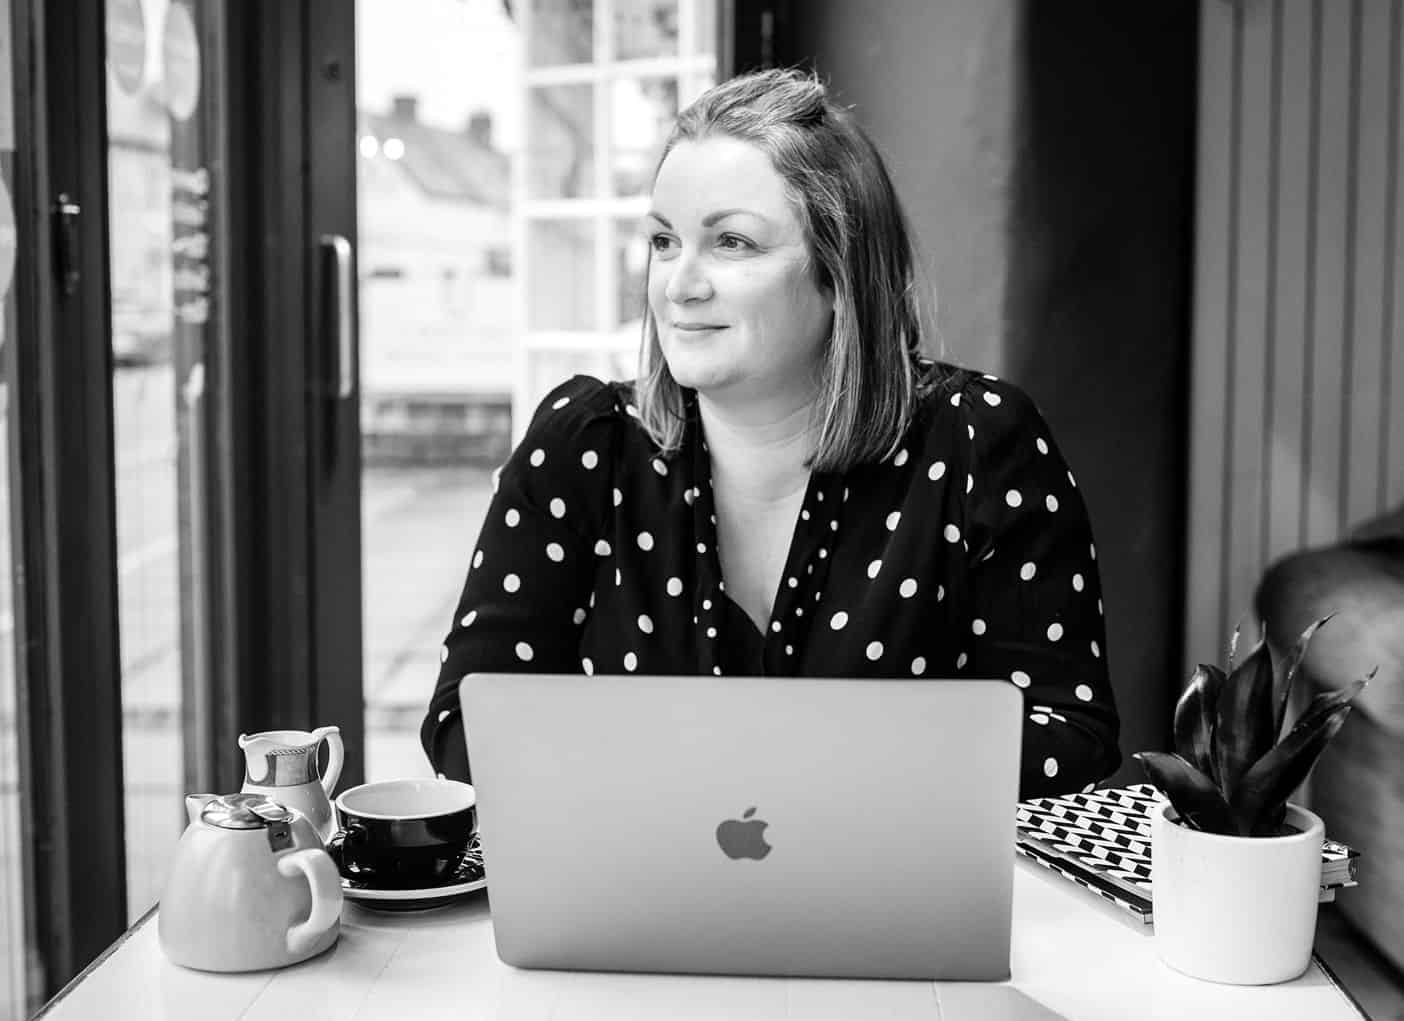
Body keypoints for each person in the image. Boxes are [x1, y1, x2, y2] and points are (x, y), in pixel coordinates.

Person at [423, 68, 1120, 800]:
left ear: (838, 274)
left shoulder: (981, 446)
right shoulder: (583, 448)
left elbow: (1066, 733)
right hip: (637, 907)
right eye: (664, 242)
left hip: (890, 907)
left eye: (731, 243)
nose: (679, 285)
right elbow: (464, 726)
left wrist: (749, 777)